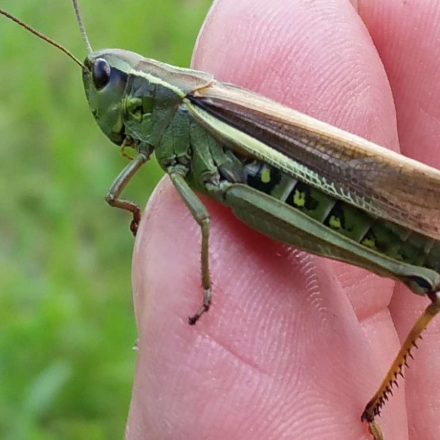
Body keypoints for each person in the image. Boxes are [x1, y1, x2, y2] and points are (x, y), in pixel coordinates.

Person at [126, 0, 440, 438]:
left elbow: (200, 218)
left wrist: (207, 290)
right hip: (265, 190)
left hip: (330, 192)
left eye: (109, 81)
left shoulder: (187, 108)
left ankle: (374, 409)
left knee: (425, 280)